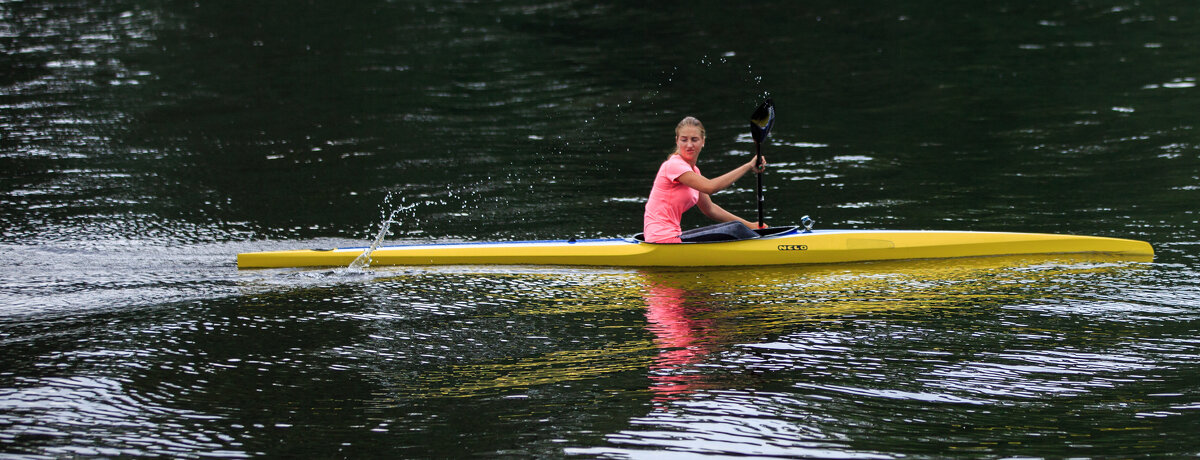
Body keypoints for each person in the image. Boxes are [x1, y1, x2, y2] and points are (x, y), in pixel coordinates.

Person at [643, 116, 766, 243]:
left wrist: (750, 225)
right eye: (684, 140)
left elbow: (710, 209)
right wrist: (748, 166)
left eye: (694, 139)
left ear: (703, 141)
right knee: (736, 230)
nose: (689, 145)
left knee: (738, 228)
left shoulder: (694, 171)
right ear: (677, 141)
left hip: (671, 235)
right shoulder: (674, 165)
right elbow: (710, 187)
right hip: (661, 238)